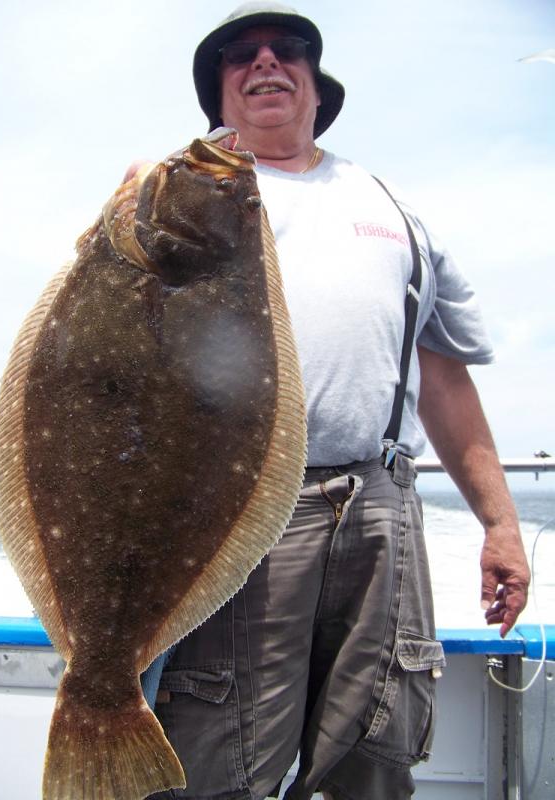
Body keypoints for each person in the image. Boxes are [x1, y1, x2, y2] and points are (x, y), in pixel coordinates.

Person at [144, 4, 531, 799]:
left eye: (287, 50)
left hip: (384, 507)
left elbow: (443, 378)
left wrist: (500, 524)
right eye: (240, 55)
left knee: (377, 760)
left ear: (319, 89)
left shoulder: (393, 208)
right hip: (239, 508)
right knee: (220, 766)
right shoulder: (172, 199)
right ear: (219, 94)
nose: (265, 62)